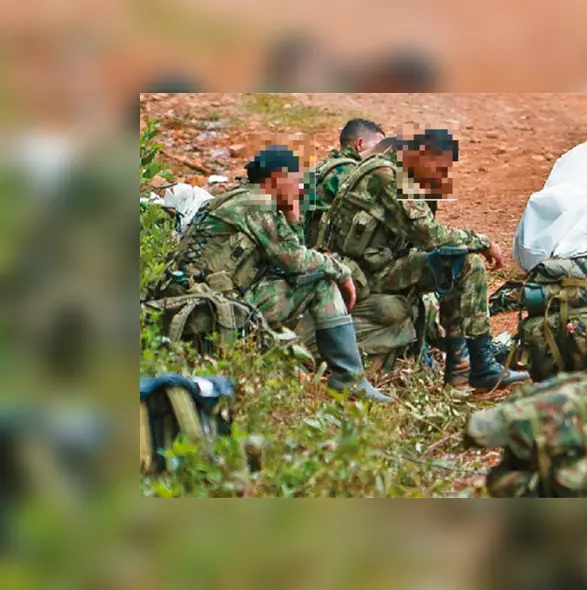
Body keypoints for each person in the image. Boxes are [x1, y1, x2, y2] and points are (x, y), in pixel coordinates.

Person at [157, 145, 391, 403]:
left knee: (307, 276)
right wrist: (342, 272)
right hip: (210, 309)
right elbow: (296, 260)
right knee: (322, 283)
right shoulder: (258, 203)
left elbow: (290, 259)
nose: (300, 188)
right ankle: (350, 380)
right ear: (277, 178)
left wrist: (292, 215)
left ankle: (311, 364)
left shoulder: (239, 198)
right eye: (296, 180)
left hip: (197, 302)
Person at [323, 128, 530, 391]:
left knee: (456, 262)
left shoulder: (393, 168)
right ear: (420, 155)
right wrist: (484, 242)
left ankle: (464, 368)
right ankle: (478, 365)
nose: (442, 176)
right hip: (364, 274)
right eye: (439, 168)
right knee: (468, 264)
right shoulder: (387, 176)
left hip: (375, 266)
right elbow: (431, 235)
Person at [303, 118, 389, 247]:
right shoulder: (351, 172)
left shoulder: (324, 166)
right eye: (379, 147)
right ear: (359, 144)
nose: (382, 154)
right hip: (326, 254)